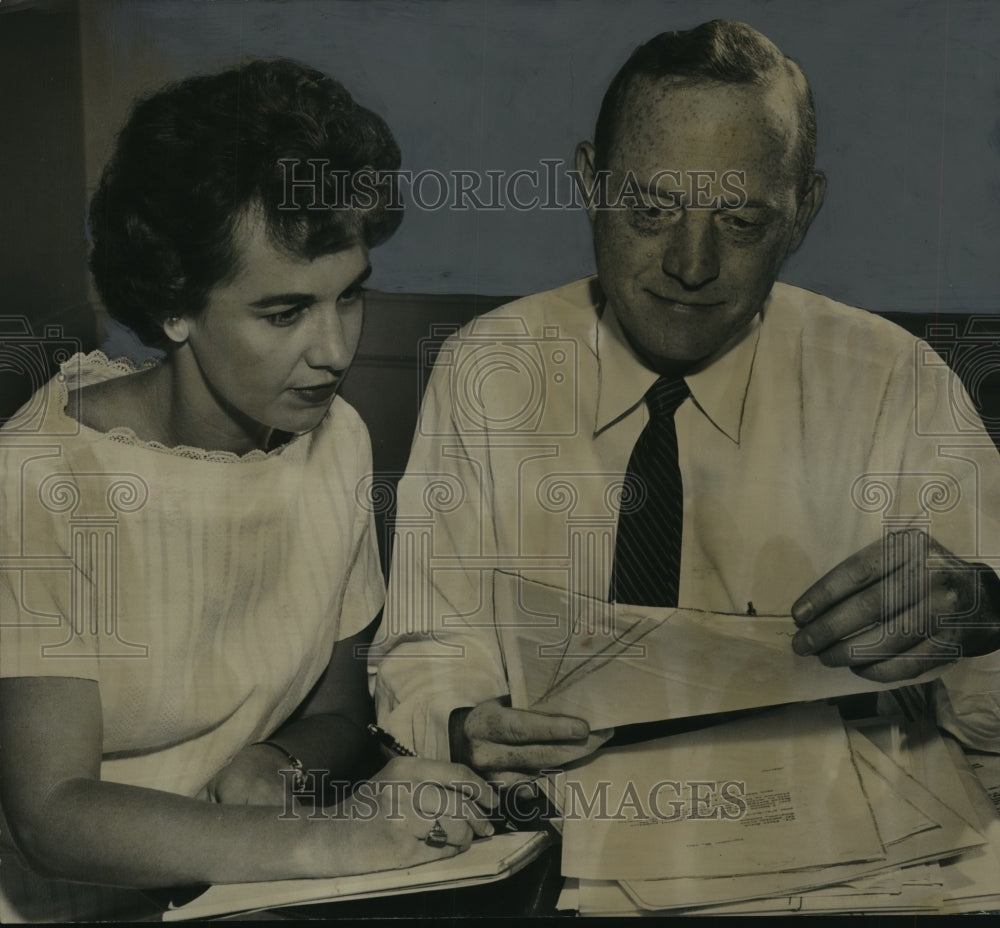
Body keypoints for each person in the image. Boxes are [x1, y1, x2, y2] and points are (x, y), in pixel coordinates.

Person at [370, 20, 1000, 782]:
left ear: (803, 213)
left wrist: (985, 611)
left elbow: (984, 722)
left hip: (819, 824)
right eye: (651, 210)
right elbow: (428, 655)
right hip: (557, 816)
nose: (691, 265)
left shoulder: (896, 382)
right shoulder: (490, 368)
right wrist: (462, 724)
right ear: (591, 185)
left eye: (741, 223)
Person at [0, 59, 495, 923]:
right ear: (174, 305)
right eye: (284, 313)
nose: (334, 351)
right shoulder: (40, 481)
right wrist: (328, 839)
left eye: (350, 298)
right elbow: (54, 815)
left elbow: (339, 705)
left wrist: (278, 762)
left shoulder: (337, 439)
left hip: (245, 889)